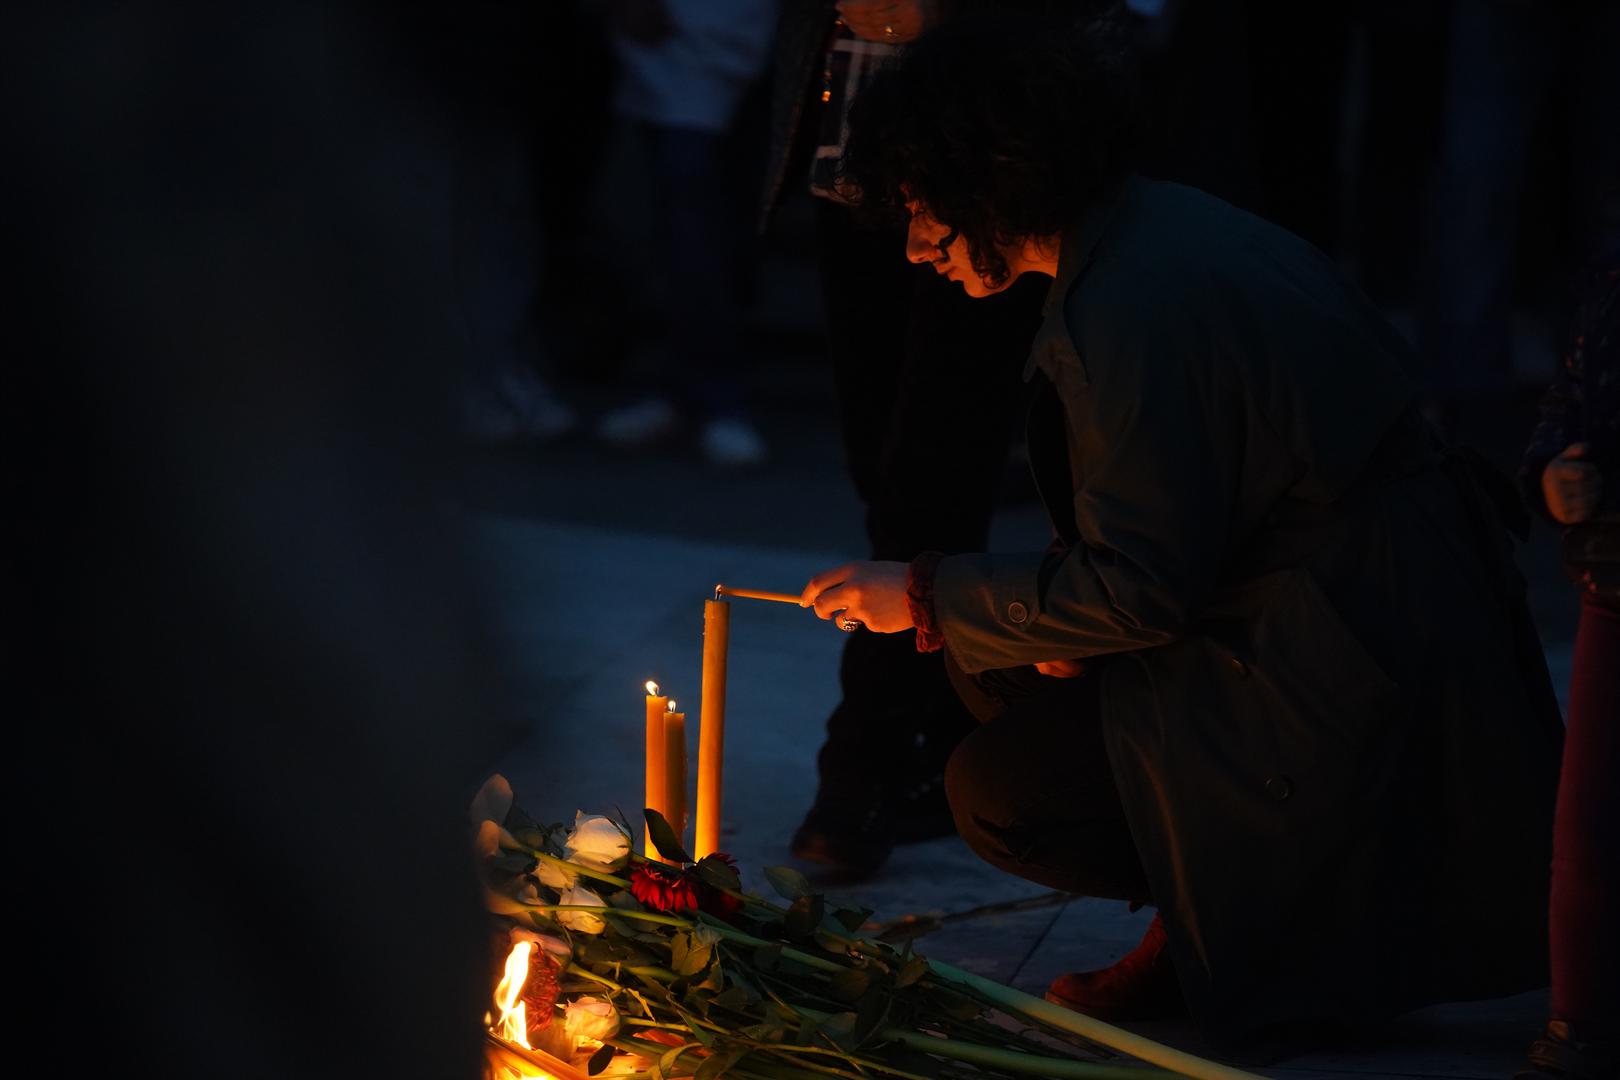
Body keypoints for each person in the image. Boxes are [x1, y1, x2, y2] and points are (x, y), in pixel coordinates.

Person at [798, 13, 1565, 1053]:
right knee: (1000, 666)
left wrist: (926, 594)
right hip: (1337, 618)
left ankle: (1277, 933)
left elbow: (1144, 589)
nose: (915, 245)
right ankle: (1212, 916)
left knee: (999, 790)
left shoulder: (1132, 306)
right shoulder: (1146, 232)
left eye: (925, 208)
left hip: (1356, 669)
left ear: (995, 177)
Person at [759, 0, 1064, 879]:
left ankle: (863, 766)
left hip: (984, 144)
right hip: (850, 138)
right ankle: (949, 735)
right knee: (882, 467)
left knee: (930, 473)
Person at [1515, 231, 1619, 1080]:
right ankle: (1579, 1020)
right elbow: (1576, 395)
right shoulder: (1614, 258)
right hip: (1615, 577)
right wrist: (1557, 469)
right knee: (1587, 823)